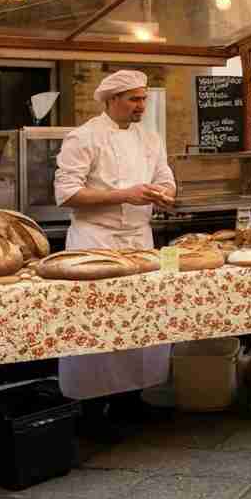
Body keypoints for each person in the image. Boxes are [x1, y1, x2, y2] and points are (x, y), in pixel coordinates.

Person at [53, 70, 177, 436]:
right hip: (96, 242)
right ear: (111, 100)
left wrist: (163, 196)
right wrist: (124, 194)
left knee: (142, 320)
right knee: (96, 325)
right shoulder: (84, 137)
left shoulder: (151, 139)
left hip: (139, 241)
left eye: (143, 98)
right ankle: (90, 409)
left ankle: (133, 401)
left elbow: (166, 180)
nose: (141, 105)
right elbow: (67, 193)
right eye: (134, 99)